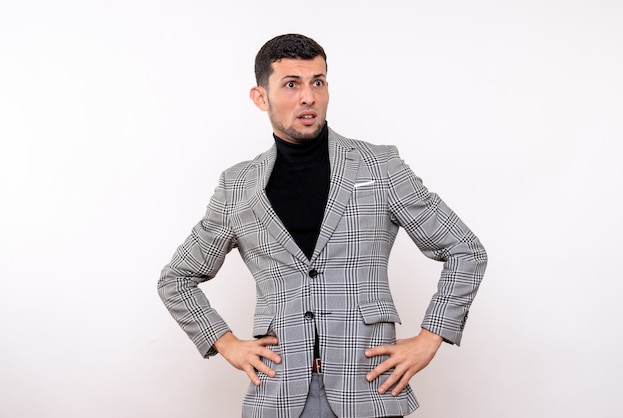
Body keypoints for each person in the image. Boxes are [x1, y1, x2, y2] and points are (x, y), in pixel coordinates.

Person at [158, 33, 487, 418]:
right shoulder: (237, 186)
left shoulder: (379, 167)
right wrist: (224, 341)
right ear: (260, 97)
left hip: (370, 392)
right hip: (277, 397)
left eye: (318, 82)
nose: (308, 97)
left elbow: (465, 249)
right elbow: (176, 279)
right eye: (291, 84)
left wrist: (431, 336)